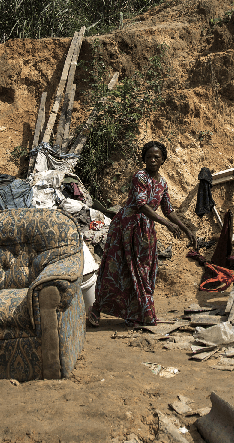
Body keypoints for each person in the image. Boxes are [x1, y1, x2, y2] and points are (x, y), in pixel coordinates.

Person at [89, 140, 195, 327]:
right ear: (144, 159)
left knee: (143, 272)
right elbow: (141, 204)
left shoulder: (162, 183)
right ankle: (96, 310)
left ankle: (137, 313)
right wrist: (165, 224)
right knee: (115, 269)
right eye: (149, 157)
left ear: (163, 160)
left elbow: (168, 210)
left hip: (145, 232)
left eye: (157, 157)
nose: (152, 160)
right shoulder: (140, 176)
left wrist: (186, 229)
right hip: (126, 227)